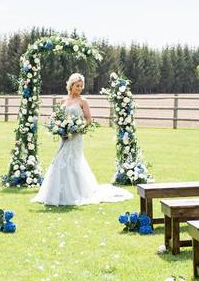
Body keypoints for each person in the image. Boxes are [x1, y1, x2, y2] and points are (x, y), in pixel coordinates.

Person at [32, 73, 132, 206]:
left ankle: (77, 193)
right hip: (64, 136)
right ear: (71, 85)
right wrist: (59, 128)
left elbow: (88, 119)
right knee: (60, 159)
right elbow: (56, 118)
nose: (79, 88)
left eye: (81, 86)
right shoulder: (63, 100)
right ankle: (57, 193)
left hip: (76, 137)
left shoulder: (83, 101)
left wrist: (77, 129)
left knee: (71, 160)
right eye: (77, 86)